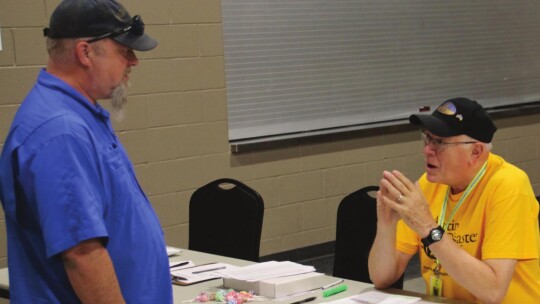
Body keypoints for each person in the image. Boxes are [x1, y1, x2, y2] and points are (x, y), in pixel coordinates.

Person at [0, 1, 172, 303]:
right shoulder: (59, 131)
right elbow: (81, 254)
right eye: (124, 50)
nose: (133, 61)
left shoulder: (78, 115)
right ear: (85, 52)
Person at [368, 97, 540, 303]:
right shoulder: (429, 184)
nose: (427, 150)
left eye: (439, 142)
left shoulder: (509, 185)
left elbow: (493, 292)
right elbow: (380, 277)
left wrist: (428, 228)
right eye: (427, 138)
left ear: (475, 151)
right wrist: (387, 224)